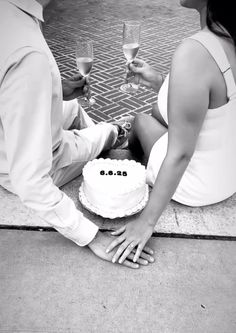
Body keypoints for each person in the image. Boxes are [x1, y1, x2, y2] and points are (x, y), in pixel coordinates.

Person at [0, 0, 155, 269]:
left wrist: (55, 88)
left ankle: (99, 130)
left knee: (71, 105)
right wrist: (90, 235)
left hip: (11, 131)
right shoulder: (28, 56)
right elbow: (29, 179)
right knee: (100, 135)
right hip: (35, 160)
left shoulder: (9, 15)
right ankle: (117, 133)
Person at [106, 0, 236, 264]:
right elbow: (212, 102)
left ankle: (115, 140)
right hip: (227, 175)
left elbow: (181, 153)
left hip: (197, 184)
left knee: (141, 119)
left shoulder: (196, 51)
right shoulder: (227, 39)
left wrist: (145, 223)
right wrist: (159, 81)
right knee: (156, 110)